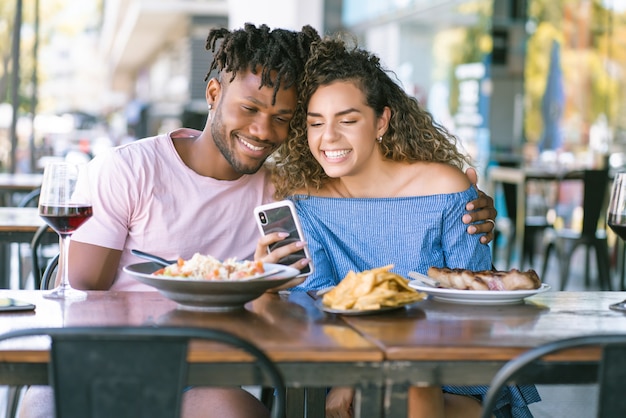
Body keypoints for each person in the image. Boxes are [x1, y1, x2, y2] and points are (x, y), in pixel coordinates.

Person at [20, 24, 496, 418]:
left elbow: (307, 294)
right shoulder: (129, 169)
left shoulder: (283, 193)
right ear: (213, 93)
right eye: (249, 109)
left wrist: (469, 207)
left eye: (282, 117)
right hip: (100, 362)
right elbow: (78, 296)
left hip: (203, 376)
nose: (263, 130)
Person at [266, 36, 539, 418]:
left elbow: (473, 298)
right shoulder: (303, 204)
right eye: (315, 123)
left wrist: (363, 373)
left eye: (347, 120)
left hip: (447, 370)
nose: (328, 137)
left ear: (381, 121)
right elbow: (319, 303)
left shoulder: (445, 187)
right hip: (340, 362)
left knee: (406, 386)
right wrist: (352, 372)